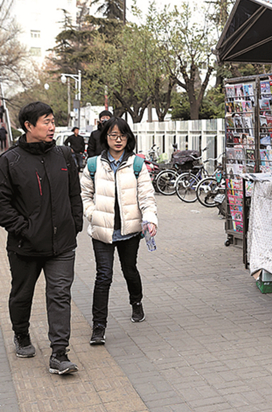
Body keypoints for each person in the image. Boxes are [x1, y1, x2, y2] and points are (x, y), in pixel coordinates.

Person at [0, 102, 82, 375]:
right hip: (26, 245)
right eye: (45, 122)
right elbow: (2, 204)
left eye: (52, 120)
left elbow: (74, 194)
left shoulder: (64, 155)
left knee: (59, 296)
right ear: (28, 126)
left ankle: (59, 353)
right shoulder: (10, 160)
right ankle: (21, 333)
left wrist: (75, 223)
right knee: (22, 295)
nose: (52, 126)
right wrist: (25, 229)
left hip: (62, 244)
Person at [81, 117, 158, 346]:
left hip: (129, 231)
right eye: (113, 135)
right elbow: (84, 194)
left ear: (128, 138)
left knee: (129, 270)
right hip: (102, 231)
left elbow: (147, 196)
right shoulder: (94, 164)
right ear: (105, 137)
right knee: (103, 276)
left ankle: (136, 302)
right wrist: (92, 215)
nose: (118, 139)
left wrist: (150, 219)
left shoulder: (136, 164)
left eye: (122, 135)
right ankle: (99, 327)